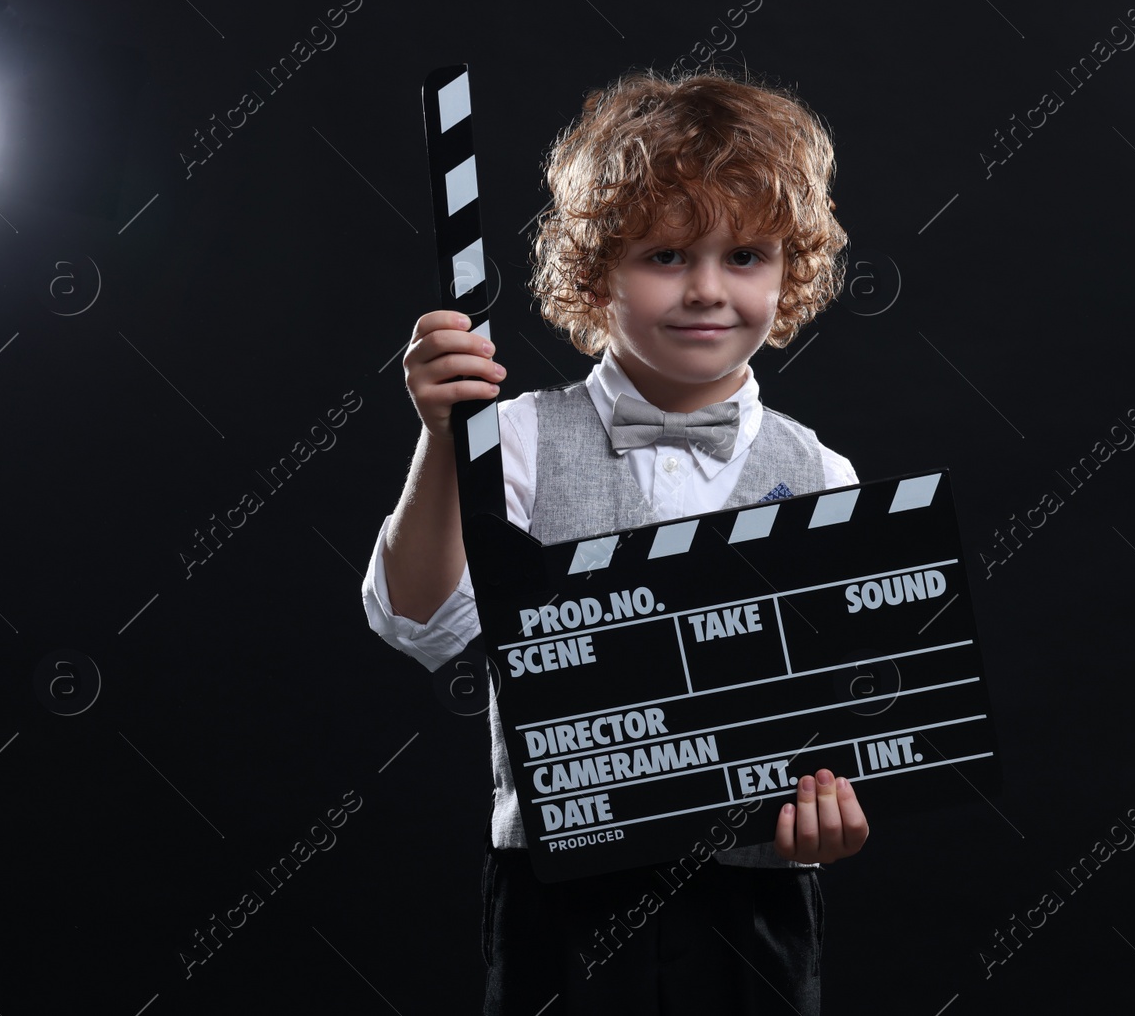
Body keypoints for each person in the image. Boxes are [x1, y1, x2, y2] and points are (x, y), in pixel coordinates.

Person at [361, 67, 868, 1014]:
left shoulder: (825, 478)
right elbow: (417, 622)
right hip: (561, 898)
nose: (708, 291)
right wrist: (442, 440)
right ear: (597, 268)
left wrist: (830, 808)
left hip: (756, 902)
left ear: (790, 268)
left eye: (747, 256)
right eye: (668, 255)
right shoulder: (509, 438)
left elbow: (831, 724)